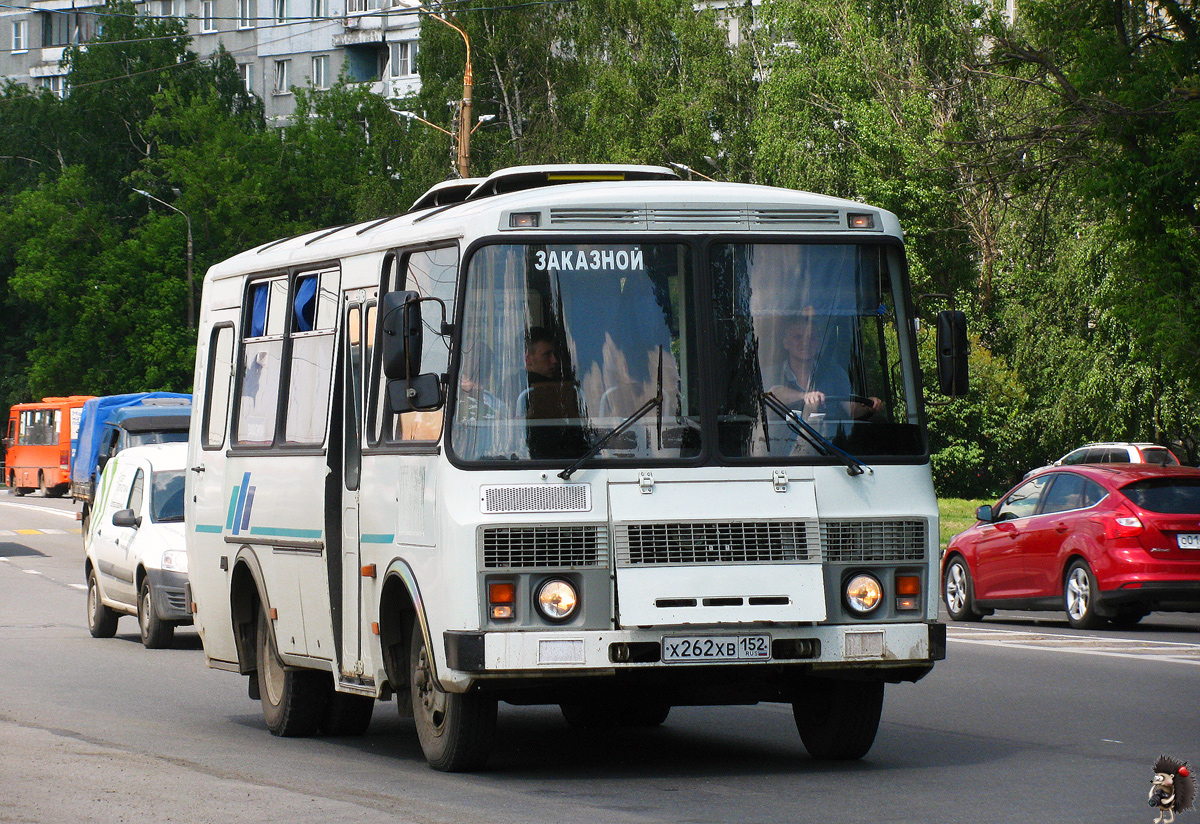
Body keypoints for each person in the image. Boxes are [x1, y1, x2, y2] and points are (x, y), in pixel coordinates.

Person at [767, 309, 883, 420]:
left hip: (826, 438)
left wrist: (869, 407)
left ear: (818, 343)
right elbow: (769, 396)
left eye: (812, 337)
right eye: (798, 337)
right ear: (786, 343)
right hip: (778, 438)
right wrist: (804, 396)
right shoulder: (770, 373)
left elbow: (851, 410)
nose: (806, 342)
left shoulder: (834, 373)